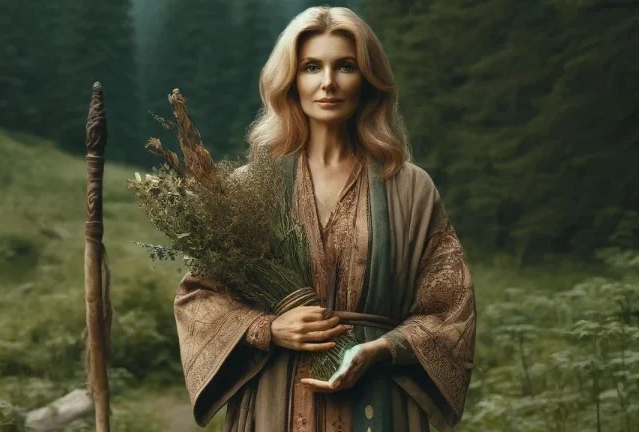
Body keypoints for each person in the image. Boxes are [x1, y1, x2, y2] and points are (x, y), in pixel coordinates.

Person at [174, 6, 476, 432]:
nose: (328, 82)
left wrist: (381, 349)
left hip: (380, 402)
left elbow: (450, 307)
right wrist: (267, 328)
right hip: (274, 401)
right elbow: (199, 297)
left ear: (368, 80)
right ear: (291, 80)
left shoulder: (411, 188)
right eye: (312, 67)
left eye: (345, 66)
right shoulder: (248, 188)